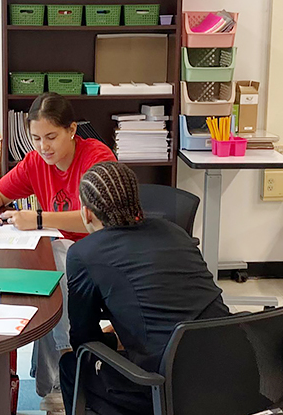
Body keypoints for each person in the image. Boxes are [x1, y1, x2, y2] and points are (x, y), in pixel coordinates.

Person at [0, 92, 115, 411]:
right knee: (44, 274)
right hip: (62, 251)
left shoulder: (97, 157)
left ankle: (62, 370)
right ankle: (50, 382)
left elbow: (94, 217)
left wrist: (37, 218)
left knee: (57, 266)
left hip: (101, 252)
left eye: (51, 136)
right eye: (35, 138)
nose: (43, 146)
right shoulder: (36, 161)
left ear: (72, 130)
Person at [59, 162, 230, 415]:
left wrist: (112, 339)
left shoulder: (83, 253)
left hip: (166, 388)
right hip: (234, 372)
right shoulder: (176, 232)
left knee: (71, 363)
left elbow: (84, 338)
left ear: (86, 213)